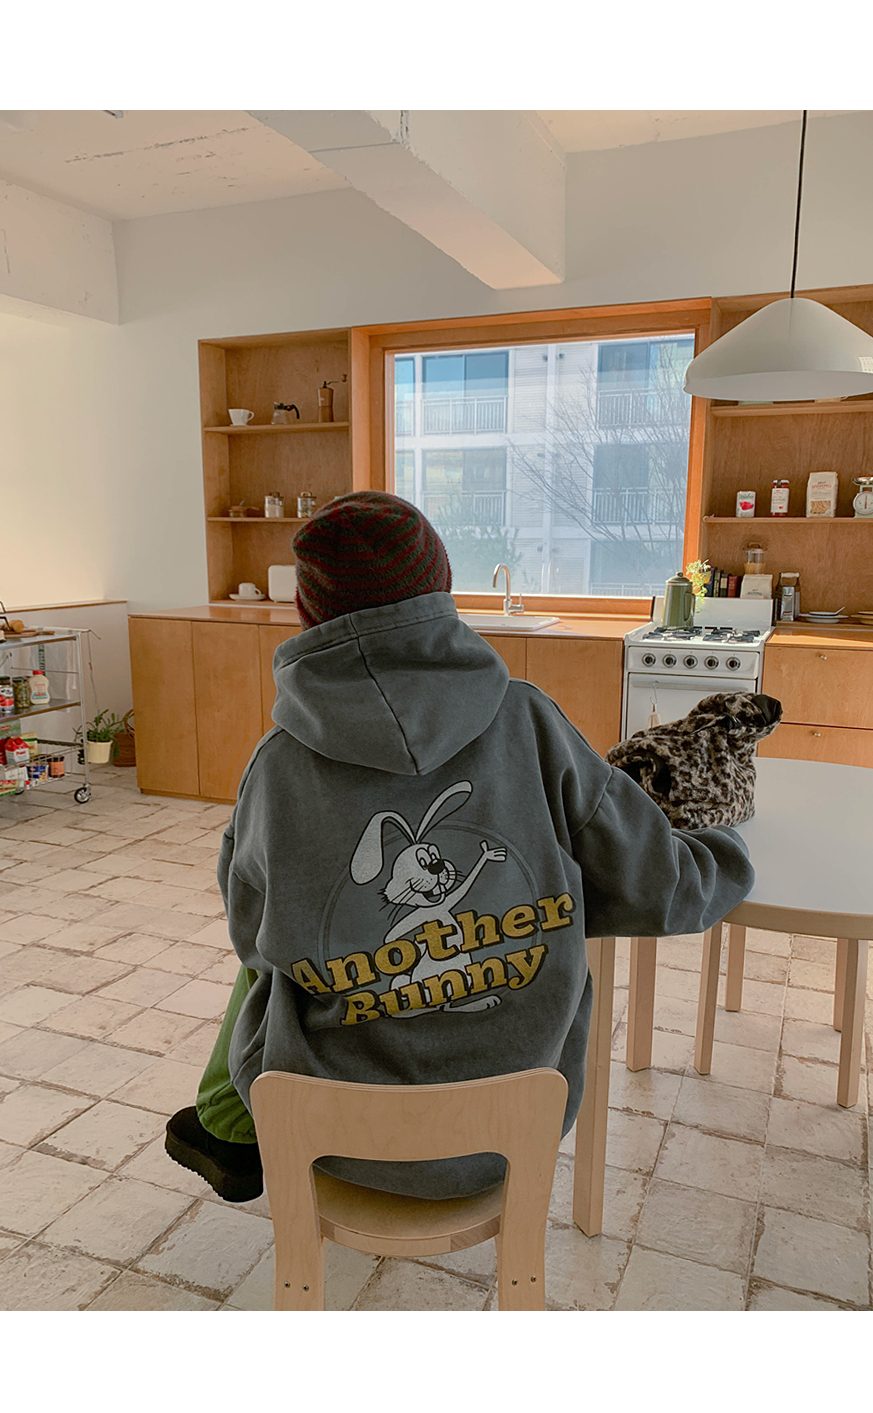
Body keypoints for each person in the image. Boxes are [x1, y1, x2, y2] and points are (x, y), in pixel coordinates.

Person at [165, 491, 754, 1203]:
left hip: (330, 1135)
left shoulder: (276, 768)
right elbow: (660, 887)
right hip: (510, 1129)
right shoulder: (530, 722)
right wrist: (727, 849)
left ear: (305, 614)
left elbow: (252, 934)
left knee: (270, 981)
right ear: (443, 592)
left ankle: (228, 1128)